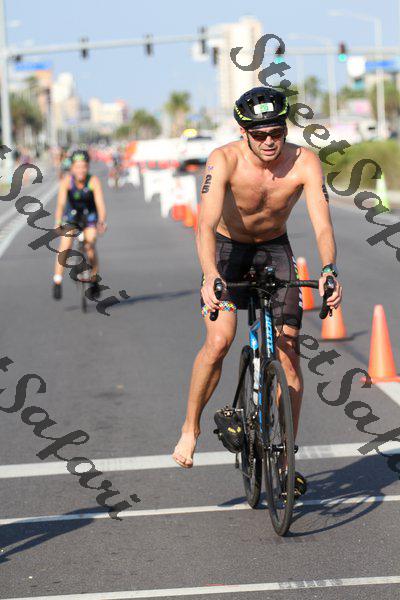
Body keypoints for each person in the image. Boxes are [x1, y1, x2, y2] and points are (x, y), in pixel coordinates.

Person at [172, 86, 342, 494]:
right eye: (260, 134)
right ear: (244, 132)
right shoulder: (224, 159)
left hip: (274, 249)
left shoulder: (304, 162)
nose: (269, 142)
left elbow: (321, 223)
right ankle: (190, 427)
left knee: (289, 355)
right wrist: (210, 274)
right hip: (228, 251)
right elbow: (205, 224)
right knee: (219, 340)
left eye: (276, 133)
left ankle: (284, 459)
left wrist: (329, 269)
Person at [52, 149, 107, 300]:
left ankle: (94, 279)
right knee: (65, 244)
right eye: (77, 167)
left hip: (90, 216)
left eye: (84, 166)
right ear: (72, 168)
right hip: (72, 216)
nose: (81, 170)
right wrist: (58, 222)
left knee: (90, 245)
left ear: (88, 167)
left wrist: (102, 221)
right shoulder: (67, 181)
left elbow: (100, 204)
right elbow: (60, 204)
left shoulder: (93, 181)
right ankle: (57, 280)